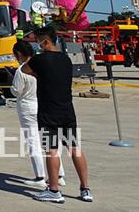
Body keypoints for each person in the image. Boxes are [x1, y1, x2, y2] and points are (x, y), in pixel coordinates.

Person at [22, 28, 92, 203]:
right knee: (74, 148)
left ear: (45, 42)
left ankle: (54, 190)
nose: (37, 45)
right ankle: (85, 189)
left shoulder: (39, 59)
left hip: (48, 112)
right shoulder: (66, 59)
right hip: (67, 110)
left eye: (38, 41)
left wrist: (37, 71)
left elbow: (24, 69)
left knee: (51, 150)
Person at [10, 40, 64, 190]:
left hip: (28, 107)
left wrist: (11, 85)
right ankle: (59, 175)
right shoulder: (42, 66)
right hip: (43, 104)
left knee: (33, 141)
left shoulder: (22, 70)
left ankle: (40, 176)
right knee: (50, 142)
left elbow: (16, 91)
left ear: (19, 54)